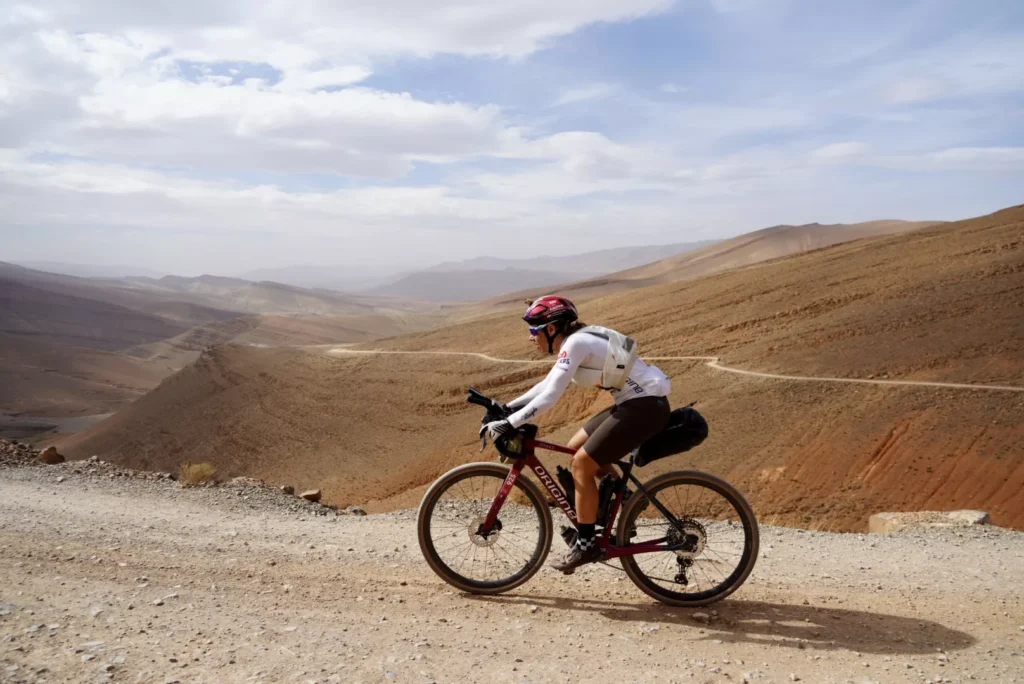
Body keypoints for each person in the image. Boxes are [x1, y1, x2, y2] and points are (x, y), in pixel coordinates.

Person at [481, 295, 672, 572]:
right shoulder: (577, 341)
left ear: (551, 328)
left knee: (581, 463)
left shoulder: (576, 343)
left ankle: (585, 544)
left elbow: (550, 399)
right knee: (576, 445)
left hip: (644, 407)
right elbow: (548, 384)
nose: (530, 337)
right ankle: (627, 500)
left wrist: (509, 423)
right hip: (639, 403)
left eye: (534, 330)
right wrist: (507, 408)